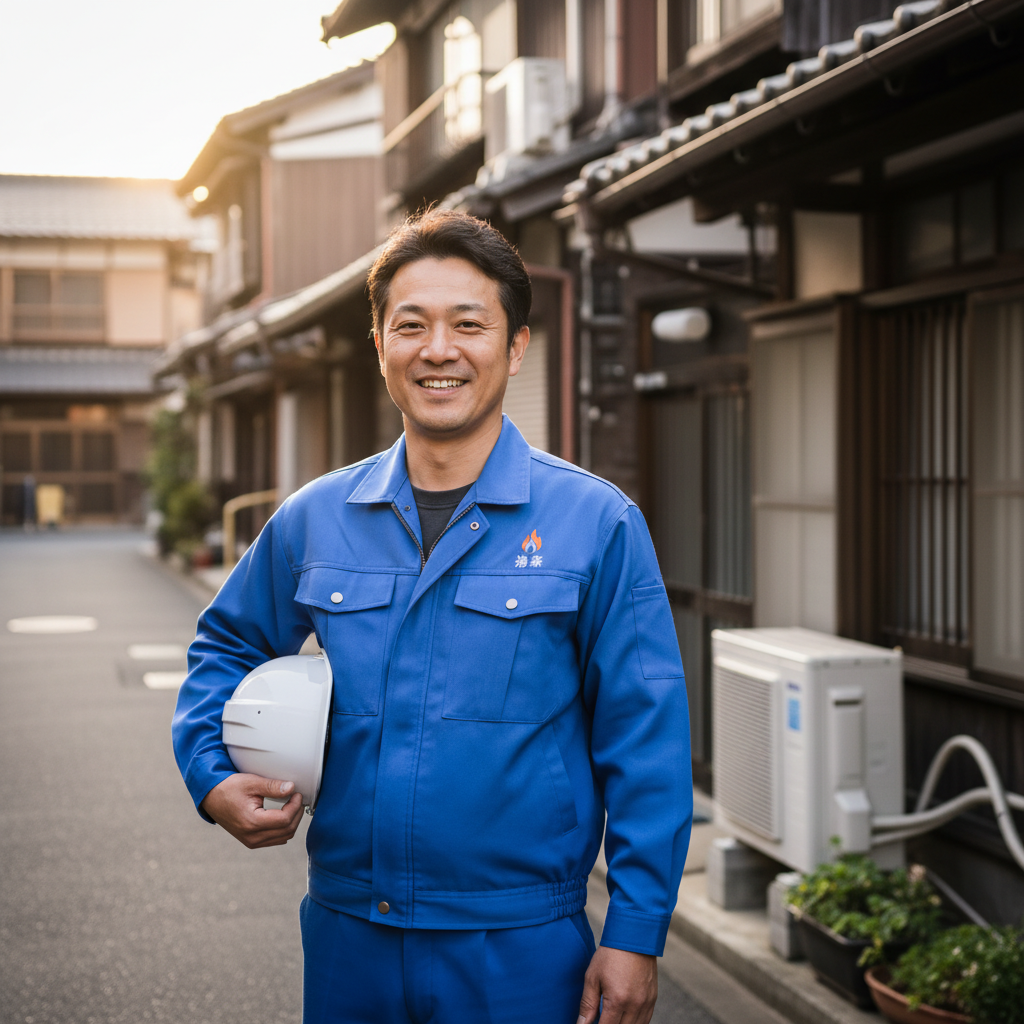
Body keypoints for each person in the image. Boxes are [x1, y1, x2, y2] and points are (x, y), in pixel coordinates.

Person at [172, 210, 692, 1024]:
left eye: (469, 324)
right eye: (410, 325)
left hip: (523, 940)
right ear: (380, 344)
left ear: (515, 346)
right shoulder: (318, 517)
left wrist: (635, 931)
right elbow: (227, 640)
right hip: (350, 933)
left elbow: (646, 735)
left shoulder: (597, 523)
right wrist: (210, 776)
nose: (438, 350)